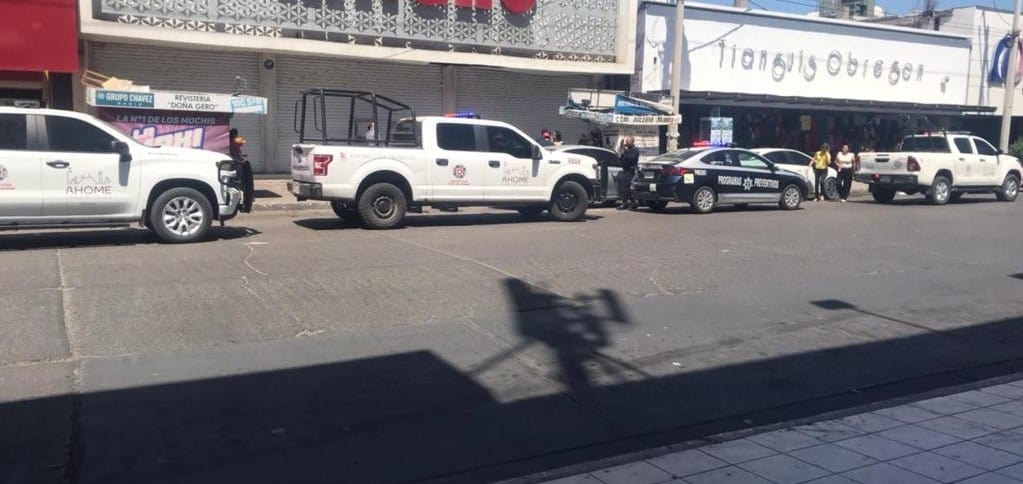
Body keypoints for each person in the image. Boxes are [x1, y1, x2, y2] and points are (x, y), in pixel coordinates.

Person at [228, 128, 254, 213]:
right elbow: (242, 142)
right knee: (241, 183)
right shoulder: (234, 141)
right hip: (236, 164)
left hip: (234, 162)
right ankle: (241, 200)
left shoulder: (228, 142)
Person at [617, 136, 640, 210]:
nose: (626, 144)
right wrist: (621, 151)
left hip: (631, 171)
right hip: (625, 170)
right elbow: (621, 159)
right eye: (626, 142)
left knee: (629, 188)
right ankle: (628, 202)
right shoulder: (626, 150)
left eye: (628, 142)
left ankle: (630, 203)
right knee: (624, 188)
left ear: (632, 142)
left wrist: (625, 151)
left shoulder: (635, 150)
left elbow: (631, 159)